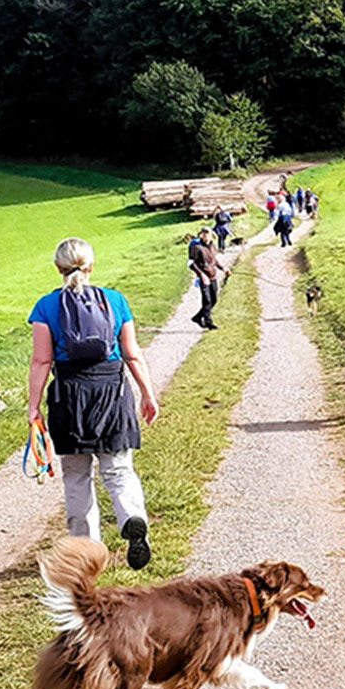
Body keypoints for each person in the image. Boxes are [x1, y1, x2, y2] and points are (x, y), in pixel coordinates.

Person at [27, 237, 161, 569]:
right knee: (118, 468)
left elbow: (42, 361)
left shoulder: (46, 306)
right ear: (91, 266)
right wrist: (147, 393)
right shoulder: (115, 301)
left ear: (58, 268)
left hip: (70, 396)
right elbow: (132, 353)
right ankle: (131, 517)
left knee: (76, 476)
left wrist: (34, 407)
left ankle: (87, 551)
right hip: (112, 391)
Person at [188, 228, 222, 329]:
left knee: (214, 300)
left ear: (211, 236)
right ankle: (208, 322)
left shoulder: (213, 246)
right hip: (204, 278)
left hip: (213, 276)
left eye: (207, 234)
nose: (205, 236)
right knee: (207, 300)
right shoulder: (197, 247)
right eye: (203, 234)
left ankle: (198, 317)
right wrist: (201, 275)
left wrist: (223, 268)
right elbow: (190, 263)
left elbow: (214, 260)